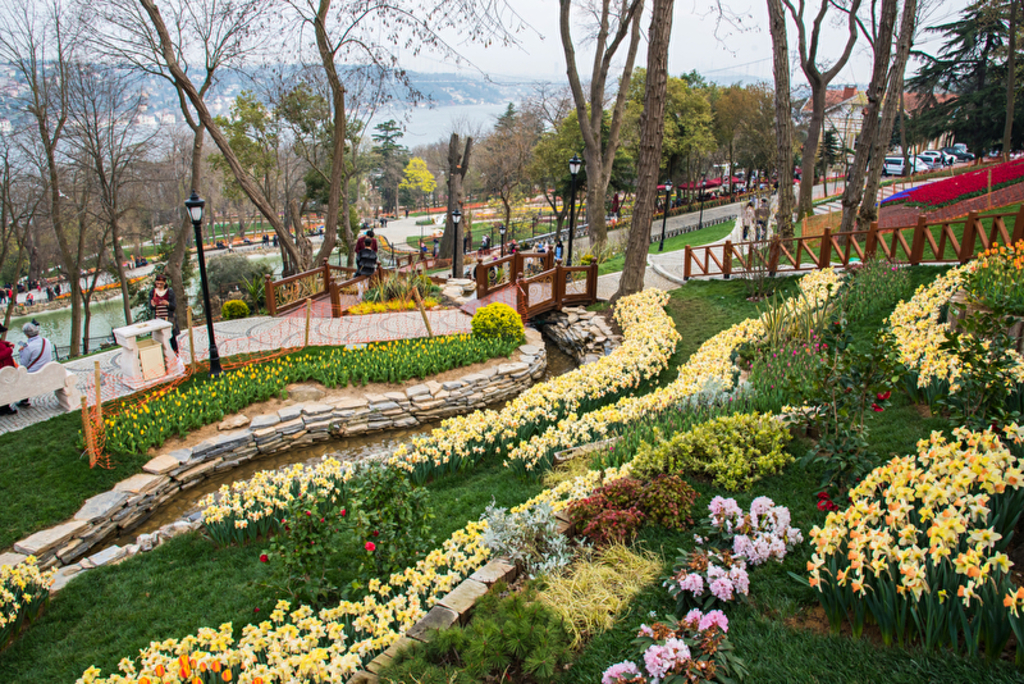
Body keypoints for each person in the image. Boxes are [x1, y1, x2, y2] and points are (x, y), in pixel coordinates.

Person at [16, 322, 55, 406]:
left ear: (27, 335)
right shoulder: (46, 341)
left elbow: (23, 364)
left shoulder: (28, 347)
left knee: (21, 375)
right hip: (48, 371)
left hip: (34, 375)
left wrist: (21, 351)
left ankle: (24, 400)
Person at [149, 274, 179, 353]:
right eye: (157, 283)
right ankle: (165, 355)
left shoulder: (170, 292)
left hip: (169, 318)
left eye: (161, 283)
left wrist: (167, 303)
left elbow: (174, 306)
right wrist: (152, 305)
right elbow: (151, 308)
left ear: (165, 283)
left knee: (171, 338)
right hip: (158, 318)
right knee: (160, 338)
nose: (159, 285)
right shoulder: (153, 292)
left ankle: (176, 354)